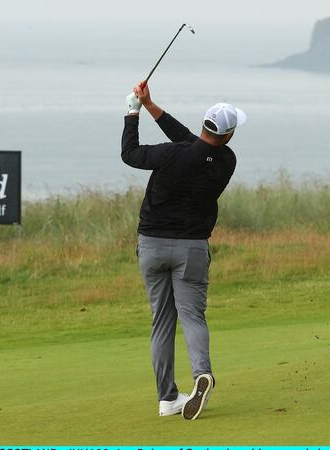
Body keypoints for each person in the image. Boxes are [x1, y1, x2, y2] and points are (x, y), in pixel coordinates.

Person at [121, 81, 246, 420]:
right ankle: (201, 373)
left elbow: (130, 154)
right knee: (192, 316)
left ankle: (167, 398)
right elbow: (193, 143)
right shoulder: (226, 160)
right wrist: (151, 106)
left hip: (152, 246)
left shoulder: (171, 154)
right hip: (191, 250)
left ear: (204, 124)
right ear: (228, 135)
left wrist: (132, 111)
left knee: (162, 321)